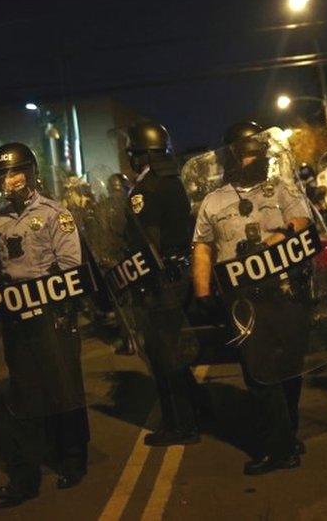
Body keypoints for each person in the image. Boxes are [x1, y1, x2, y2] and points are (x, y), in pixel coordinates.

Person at [191, 121, 310, 475]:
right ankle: (279, 449)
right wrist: (203, 293)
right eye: (244, 152)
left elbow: (302, 222)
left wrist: (278, 238)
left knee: (288, 369)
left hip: (283, 290)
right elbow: (202, 246)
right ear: (230, 156)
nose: (251, 158)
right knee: (259, 375)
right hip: (243, 300)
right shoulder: (214, 201)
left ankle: (287, 435)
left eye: (256, 151)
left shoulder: (280, 189)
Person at [0, 143, 88, 507]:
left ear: (29, 172)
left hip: (52, 316)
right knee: (23, 396)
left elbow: (71, 263)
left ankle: (74, 459)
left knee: (64, 385)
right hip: (16, 321)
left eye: (13, 172)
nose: (7, 181)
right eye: (1, 175)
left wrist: (43, 292)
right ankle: (25, 477)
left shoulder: (56, 214)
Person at [122, 121, 201, 446]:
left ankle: (181, 425)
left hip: (159, 281)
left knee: (164, 356)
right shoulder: (173, 182)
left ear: (138, 156)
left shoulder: (145, 190)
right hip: (179, 274)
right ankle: (194, 411)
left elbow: (148, 241)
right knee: (175, 352)